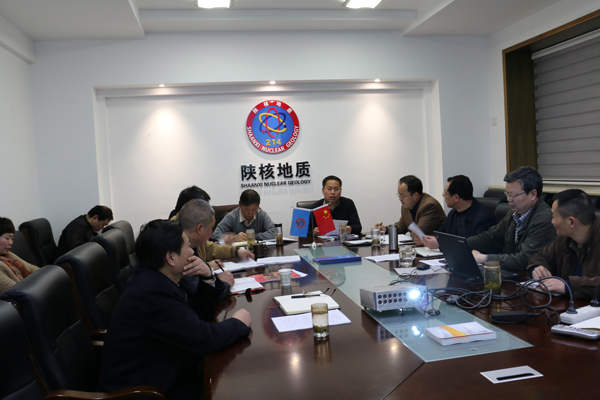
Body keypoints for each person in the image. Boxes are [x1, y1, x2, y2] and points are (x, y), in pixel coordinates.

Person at [98, 219, 251, 399]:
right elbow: (204, 339)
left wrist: (207, 276)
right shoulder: (152, 294)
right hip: (143, 392)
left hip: (165, 373)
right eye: (187, 246)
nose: (192, 252)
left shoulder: (160, 276)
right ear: (171, 258)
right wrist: (238, 323)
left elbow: (200, 315)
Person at [467, 166, 556, 271]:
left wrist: (483, 258)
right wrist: (462, 245)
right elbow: (490, 238)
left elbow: (524, 260)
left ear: (532, 194)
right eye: (507, 194)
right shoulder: (514, 213)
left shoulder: (544, 219)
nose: (508, 199)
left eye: (513, 195)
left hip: (529, 276)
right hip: (513, 273)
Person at [528, 189, 600, 299]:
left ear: (571, 222)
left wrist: (568, 286)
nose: (552, 222)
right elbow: (540, 257)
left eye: (554, 217)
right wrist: (538, 268)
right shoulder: (564, 238)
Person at [178, 199, 254, 275]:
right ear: (199, 228)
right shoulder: (177, 249)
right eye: (211, 227)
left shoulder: (195, 240)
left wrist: (236, 251)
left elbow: (210, 249)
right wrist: (208, 266)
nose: (212, 232)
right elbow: (187, 275)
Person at [422, 175, 496, 249]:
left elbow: (475, 245)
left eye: (445, 194)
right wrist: (428, 239)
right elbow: (442, 234)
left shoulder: (484, 217)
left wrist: (441, 244)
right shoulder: (453, 213)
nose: (444, 197)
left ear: (456, 197)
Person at [376, 175, 445, 246]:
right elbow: (402, 226)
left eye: (403, 196)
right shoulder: (407, 205)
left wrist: (412, 233)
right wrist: (386, 229)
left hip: (436, 248)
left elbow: (418, 234)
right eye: (399, 195)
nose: (400, 199)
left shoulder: (430, 206)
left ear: (415, 195)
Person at [211, 189, 275, 243]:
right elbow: (215, 235)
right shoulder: (232, 216)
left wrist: (251, 237)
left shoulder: (261, 215)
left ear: (258, 206)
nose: (250, 213)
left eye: (254, 209)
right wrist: (234, 238)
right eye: (247, 209)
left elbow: (274, 232)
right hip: (237, 251)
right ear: (240, 205)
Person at [0, 217, 39, 293]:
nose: (11, 242)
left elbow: (31, 268)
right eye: (7, 238)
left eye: (12, 239)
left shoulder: (8, 255)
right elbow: (15, 290)